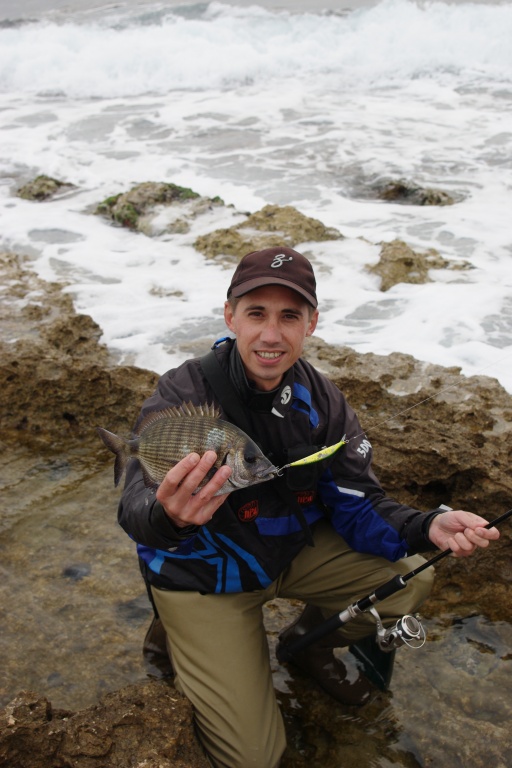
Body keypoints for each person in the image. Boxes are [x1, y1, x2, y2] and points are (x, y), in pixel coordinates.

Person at [118, 246, 499, 768]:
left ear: (311, 323)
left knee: (412, 576)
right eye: (256, 314)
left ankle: (308, 643)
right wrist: (170, 517)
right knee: (256, 757)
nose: (271, 335)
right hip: (203, 576)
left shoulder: (323, 403)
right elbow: (134, 506)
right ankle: (177, 631)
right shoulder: (183, 391)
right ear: (230, 316)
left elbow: (360, 505)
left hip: (285, 554)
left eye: (289, 316)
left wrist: (428, 524)